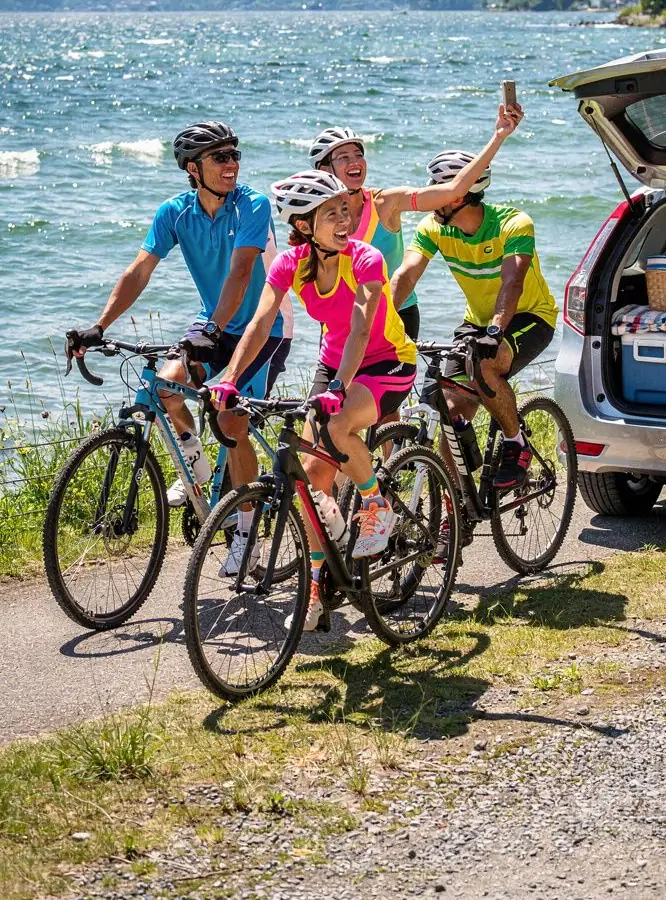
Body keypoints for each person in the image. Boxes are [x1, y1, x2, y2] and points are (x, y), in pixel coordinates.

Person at [210, 109, 519, 631]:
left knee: (335, 426)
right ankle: (316, 587)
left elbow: (359, 328)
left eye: (342, 211)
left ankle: (377, 504)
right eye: (331, 213)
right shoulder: (290, 263)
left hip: (385, 361)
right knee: (311, 477)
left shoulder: (367, 259)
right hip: (334, 365)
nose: (343, 218)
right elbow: (261, 323)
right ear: (304, 226)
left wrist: (337, 386)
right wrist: (228, 378)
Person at [67, 121, 293, 574]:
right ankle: (197, 462)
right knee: (165, 385)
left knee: (231, 420)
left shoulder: (252, 205)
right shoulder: (174, 212)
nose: (232, 164)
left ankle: (247, 534)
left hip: (264, 328)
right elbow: (139, 270)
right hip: (213, 321)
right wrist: (99, 324)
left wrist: (213, 327)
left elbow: (241, 273)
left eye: (235, 155)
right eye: (220, 158)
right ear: (193, 169)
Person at [390, 138, 557, 493]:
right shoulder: (435, 228)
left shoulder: (514, 223)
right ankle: (457, 506)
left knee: (484, 366)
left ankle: (516, 444)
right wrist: (380, 322)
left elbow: (511, 283)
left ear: (461, 194)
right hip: (477, 320)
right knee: (451, 410)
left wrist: (495, 330)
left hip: (529, 317)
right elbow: (406, 275)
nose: (430, 195)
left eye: (437, 188)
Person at [308, 127, 422, 340]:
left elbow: (451, 191)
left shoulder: (384, 203)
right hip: (342, 320)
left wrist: (499, 136)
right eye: (343, 157)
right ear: (324, 170)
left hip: (397, 313)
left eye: (359, 155)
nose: (355, 162)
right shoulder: (314, 218)